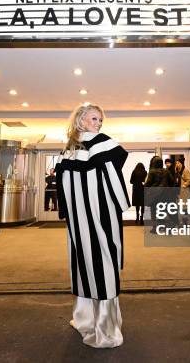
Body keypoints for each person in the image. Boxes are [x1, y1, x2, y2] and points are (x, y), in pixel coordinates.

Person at [55, 104, 130, 348]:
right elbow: (114, 172)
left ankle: (86, 318)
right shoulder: (101, 144)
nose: (98, 123)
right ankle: (104, 329)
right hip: (100, 218)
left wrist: (69, 213)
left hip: (79, 221)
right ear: (81, 119)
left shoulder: (70, 150)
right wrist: (120, 204)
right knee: (103, 263)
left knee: (85, 264)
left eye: (100, 120)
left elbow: (64, 188)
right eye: (94, 118)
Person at [145, 156, 175, 233]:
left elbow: (148, 184)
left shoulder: (152, 171)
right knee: (165, 210)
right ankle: (168, 227)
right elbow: (172, 181)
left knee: (154, 211)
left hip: (155, 194)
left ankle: (155, 228)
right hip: (166, 193)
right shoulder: (166, 171)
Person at [175, 157, 190, 225]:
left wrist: (184, 185)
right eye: (176, 163)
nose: (177, 164)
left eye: (178, 163)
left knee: (185, 207)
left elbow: (189, 180)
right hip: (178, 192)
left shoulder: (185, 170)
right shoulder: (176, 171)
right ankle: (182, 221)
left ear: (181, 163)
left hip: (184, 191)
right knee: (180, 207)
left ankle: (186, 222)